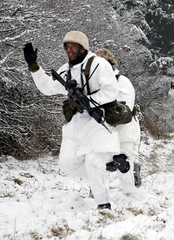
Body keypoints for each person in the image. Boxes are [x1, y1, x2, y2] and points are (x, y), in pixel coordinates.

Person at [23, 31, 125, 210]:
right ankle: (103, 169)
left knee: (93, 160)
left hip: (97, 119)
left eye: (73, 47)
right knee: (67, 163)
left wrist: (88, 100)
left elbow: (111, 91)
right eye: (67, 47)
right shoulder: (66, 70)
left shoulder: (99, 64)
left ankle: (103, 204)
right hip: (77, 122)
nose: (69, 50)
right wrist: (33, 66)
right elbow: (46, 87)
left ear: (83, 48)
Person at [95, 48, 142, 188]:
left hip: (124, 129)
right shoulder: (94, 83)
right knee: (96, 162)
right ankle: (98, 194)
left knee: (122, 161)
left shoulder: (123, 82)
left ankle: (131, 194)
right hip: (102, 129)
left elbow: (124, 111)